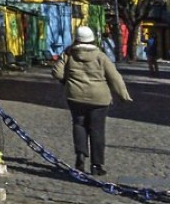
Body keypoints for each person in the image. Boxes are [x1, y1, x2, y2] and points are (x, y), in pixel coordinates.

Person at [52, 25, 132, 176]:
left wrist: (67, 81)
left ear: (76, 39)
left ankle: (80, 158)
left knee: (79, 125)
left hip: (75, 96)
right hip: (99, 99)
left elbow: (56, 72)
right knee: (97, 130)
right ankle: (96, 165)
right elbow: (114, 77)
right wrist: (123, 95)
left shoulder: (69, 54)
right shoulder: (100, 56)